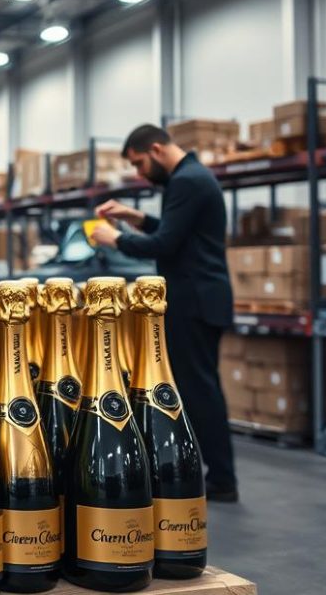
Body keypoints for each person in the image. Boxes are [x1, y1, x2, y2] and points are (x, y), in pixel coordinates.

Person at [89, 124, 238, 502]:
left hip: (194, 300)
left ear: (156, 149)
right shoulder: (191, 178)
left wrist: (115, 238)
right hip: (201, 297)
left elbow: (166, 244)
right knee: (198, 386)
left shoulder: (187, 181)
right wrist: (135, 217)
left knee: (198, 389)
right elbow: (176, 232)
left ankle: (222, 480)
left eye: (139, 164)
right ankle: (216, 476)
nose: (139, 174)